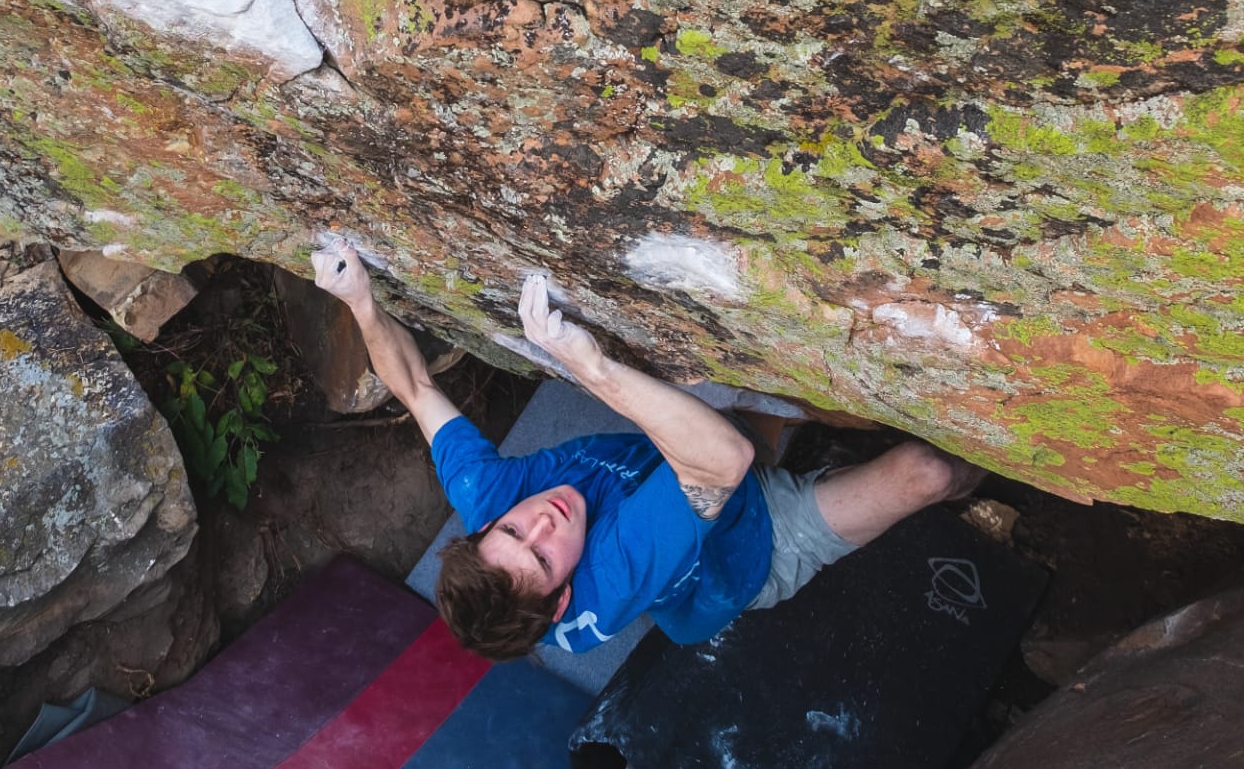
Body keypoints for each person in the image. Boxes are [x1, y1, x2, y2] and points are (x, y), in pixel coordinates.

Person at [310, 236, 984, 661]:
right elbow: (722, 462)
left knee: (738, 389)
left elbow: (415, 387)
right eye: (543, 556)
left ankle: (793, 428)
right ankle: (984, 479)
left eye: (514, 530)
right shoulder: (616, 571)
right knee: (924, 473)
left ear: (487, 523)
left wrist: (359, 300)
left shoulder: (488, 500)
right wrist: (592, 369)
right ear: (565, 598)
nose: (542, 520)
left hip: (671, 471)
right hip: (751, 549)